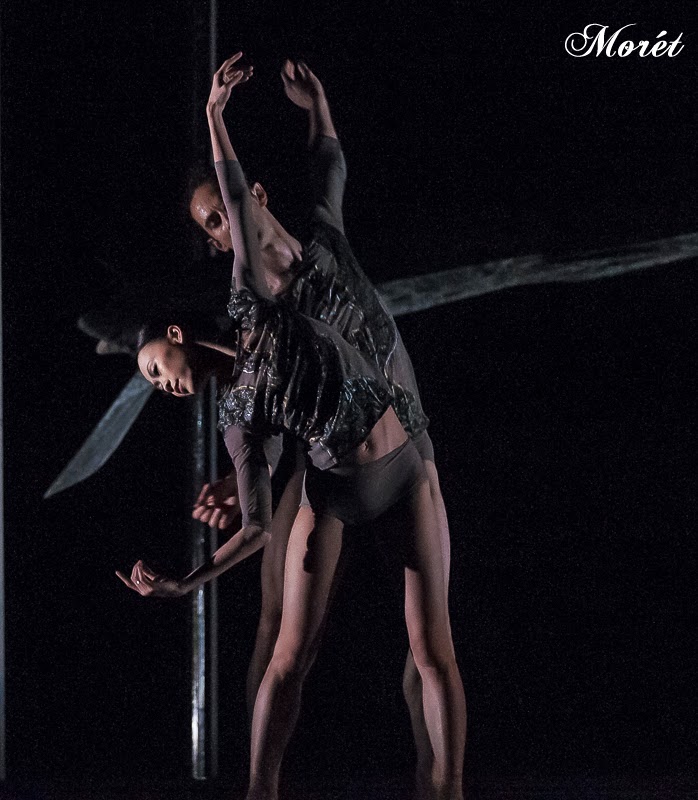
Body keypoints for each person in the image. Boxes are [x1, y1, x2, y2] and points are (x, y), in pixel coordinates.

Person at [118, 53, 465, 800]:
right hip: (333, 481)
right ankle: (260, 789)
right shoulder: (252, 310)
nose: (223, 228)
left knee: (430, 652)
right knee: (286, 645)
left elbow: (327, 171)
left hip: (406, 456)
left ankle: (443, 785)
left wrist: (319, 110)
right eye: (213, 226)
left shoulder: (321, 244)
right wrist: (192, 573)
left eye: (222, 214)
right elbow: (264, 421)